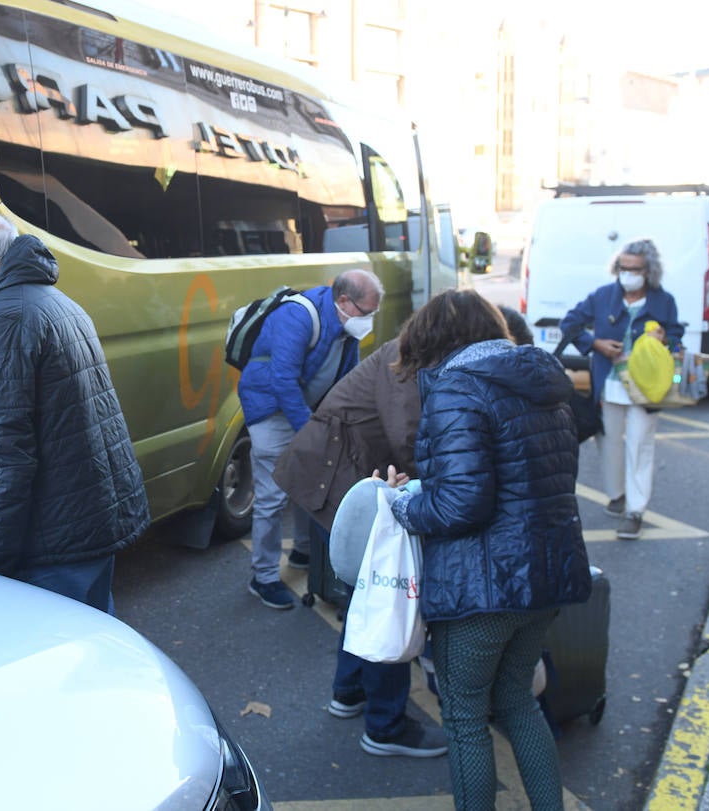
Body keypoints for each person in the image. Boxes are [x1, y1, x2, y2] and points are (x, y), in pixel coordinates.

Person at [386, 290, 591, 811]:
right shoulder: (543, 384)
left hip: (482, 584)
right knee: (519, 699)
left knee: (464, 716)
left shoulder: (458, 387)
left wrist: (404, 506)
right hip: (545, 577)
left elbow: (462, 504)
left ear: (431, 339)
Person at [0, 205, 149, 613]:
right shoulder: (57, 304)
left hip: (49, 546)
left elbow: (3, 463)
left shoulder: (3, 323)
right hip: (85, 528)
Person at [273, 327, 447, 758]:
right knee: (386, 597)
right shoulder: (403, 363)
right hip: (338, 480)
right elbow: (407, 435)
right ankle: (385, 727)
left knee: (366, 594)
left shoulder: (406, 353)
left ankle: (349, 691)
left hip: (342, 478)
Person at [238, 268, 383, 610]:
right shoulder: (298, 316)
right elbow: (283, 381)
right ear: (344, 301)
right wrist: (310, 431)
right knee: (273, 494)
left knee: (310, 483)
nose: (369, 321)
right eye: (367, 312)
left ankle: (303, 550)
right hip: (270, 409)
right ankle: (263, 577)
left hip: (302, 409)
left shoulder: (347, 325)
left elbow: (349, 381)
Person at [559, 239, 683, 540]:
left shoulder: (663, 301)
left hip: (647, 387)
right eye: (623, 268)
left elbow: (677, 337)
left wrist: (665, 339)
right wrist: (595, 344)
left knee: (640, 445)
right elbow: (570, 324)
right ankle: (617, 495)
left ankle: (635, 511)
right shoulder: (603, 296)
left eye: (635, 269)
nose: (628, 274)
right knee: (610, 444)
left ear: (649, 271)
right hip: (609, 384)